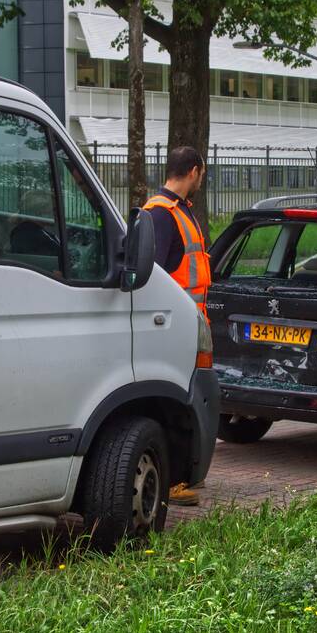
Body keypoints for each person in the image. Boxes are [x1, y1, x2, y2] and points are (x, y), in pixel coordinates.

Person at [143, 146, 211, 506]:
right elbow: (154, 273)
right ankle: (171, 480)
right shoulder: (162, 214)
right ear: (195, 171)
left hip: (185, 322)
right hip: (172, 325)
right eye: (203, 173)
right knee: (174, 402)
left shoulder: (177, 212)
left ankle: (178, 476)